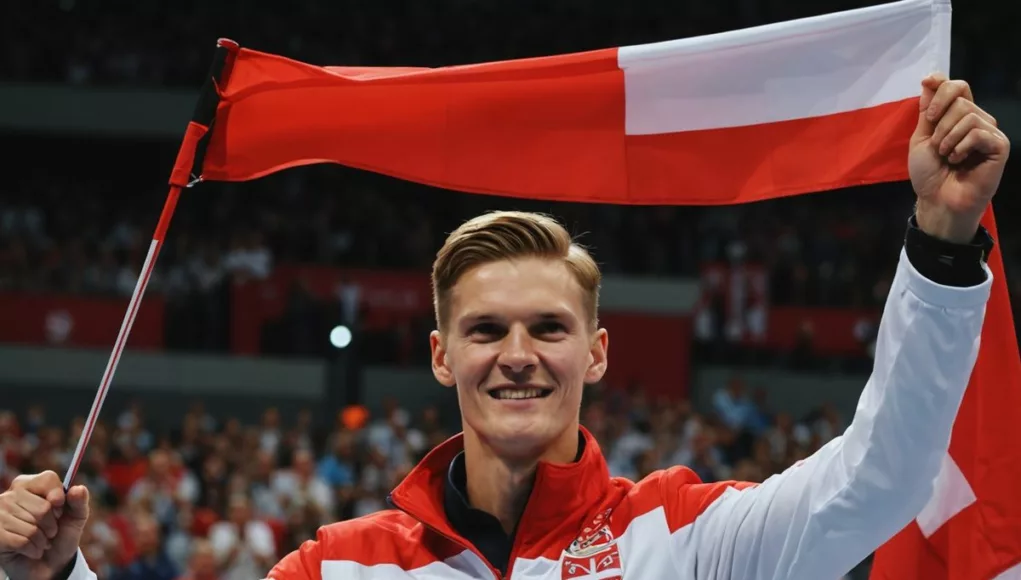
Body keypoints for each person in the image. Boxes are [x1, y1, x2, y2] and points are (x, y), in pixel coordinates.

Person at [0, 74, 1009, 580]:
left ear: (597, 350)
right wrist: (59, 572)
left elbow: (886, 475)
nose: (517, 355)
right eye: (484, 330)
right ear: (440, 355)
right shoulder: (340, 565)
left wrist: (940, 239)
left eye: (548, 327)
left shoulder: (691, 538)